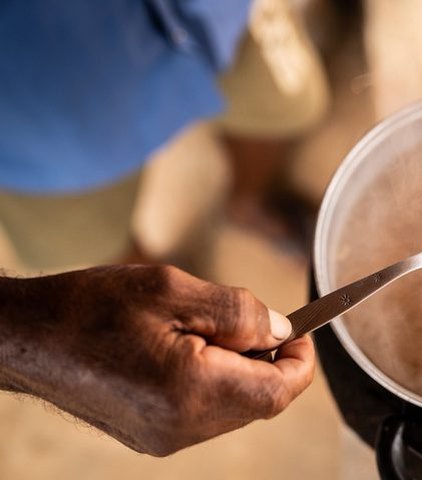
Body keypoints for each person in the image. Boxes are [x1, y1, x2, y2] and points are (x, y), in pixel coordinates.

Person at [0, 0, 326, 455]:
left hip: (219, 18)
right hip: (35, 113)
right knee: (105, 256)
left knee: (284, 108)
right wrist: (25, 336)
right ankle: (159, 293)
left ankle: (249, 201)